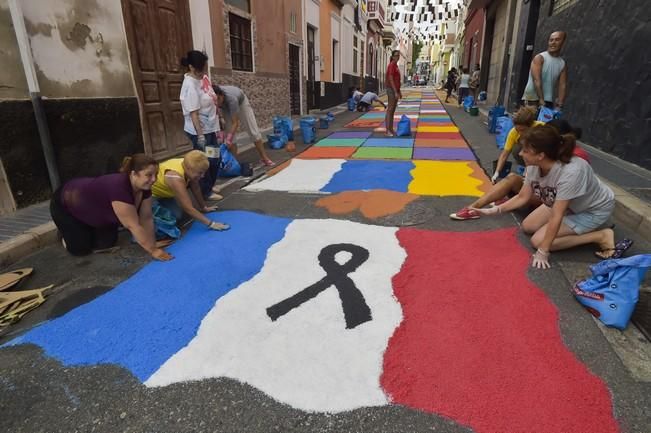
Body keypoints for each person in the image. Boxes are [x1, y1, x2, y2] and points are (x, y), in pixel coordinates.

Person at [471, 125, 630, 269]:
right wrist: (496, 210)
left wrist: (543, 251)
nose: (520, 153)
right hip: (568, 204)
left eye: (525, 150)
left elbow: (557, 214)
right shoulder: (534, 165)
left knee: (538, 241)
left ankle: (600, 235)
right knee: (528, 226)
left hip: (592, 210)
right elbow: (522, 197)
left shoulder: (572, 172)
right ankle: (583, 230)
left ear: (541, 155)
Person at [50, 154, 173, 261]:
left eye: (156, 175)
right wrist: (153, 251)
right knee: (80, 250)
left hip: (94, 208)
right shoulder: (119, 188)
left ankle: (85, 226)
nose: (154, 179)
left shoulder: (144, 187)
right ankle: (64, 233)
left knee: (106, 243)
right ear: (134, 174)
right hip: (65, 203)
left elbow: (146, 218)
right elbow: (132, 225)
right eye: (149, 175)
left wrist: (152, 243)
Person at [450, 107, 544, 220]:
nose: (520, 154)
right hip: (532, 183)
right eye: (517, 130)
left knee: (529, 226)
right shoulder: (516, 135)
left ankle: (504, 199)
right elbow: (504, 154)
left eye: (522, 130)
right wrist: (497, 173)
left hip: (543, 193)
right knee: (511, 177)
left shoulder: (543, 133)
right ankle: (472, 208)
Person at [151, 150, 230, 231]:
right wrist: (211, 224)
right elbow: (188, 208)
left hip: (166, 194)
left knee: (178, 215)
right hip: (151, 195)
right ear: (188, 169)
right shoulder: (175, 178)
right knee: (170, 220)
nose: (202, 176)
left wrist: (204, 207)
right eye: (200, 173)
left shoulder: (190, 164)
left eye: (203, 172)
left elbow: (196, 188)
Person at [179, 50, 221, 199]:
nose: (203, 71)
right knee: (204, 162)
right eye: (200, 68)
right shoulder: (190, 85)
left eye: (204, 68)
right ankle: (205, 192)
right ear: (191, 67)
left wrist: (218, 124)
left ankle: (209, 185)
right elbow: (193, 113)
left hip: (211, 127)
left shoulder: (203, 78)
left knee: (215, 159)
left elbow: (213, 100)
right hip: (199, 130)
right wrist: (201, 135)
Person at [212, 85, 274, 166]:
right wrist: (225, 135)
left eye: (218, 99)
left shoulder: (232, 99)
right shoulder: (212, 97)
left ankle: (264, 158)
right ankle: (233, 163)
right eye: (215, 101)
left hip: (241, 102)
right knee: (230, 136)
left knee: (253, 131)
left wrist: (229, 138)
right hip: (225, 107)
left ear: (221, 95)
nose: (217, 103)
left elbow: (235, 122)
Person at [522, 31, 567, 110]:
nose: (553, 42)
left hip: (547, 100)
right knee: (530, 122)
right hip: (532, 99)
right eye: (551, 40)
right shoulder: (540, 58)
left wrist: (560, 103)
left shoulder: (562, 63)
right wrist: (541, 100)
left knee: (545, 122)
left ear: (563, 42)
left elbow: (562, 85)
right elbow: (536, 80)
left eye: (557, 40)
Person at [384, 50, 402, 137]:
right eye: (396, 55)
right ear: (392, 56)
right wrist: (395, 91)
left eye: (398, 55)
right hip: (391, 89)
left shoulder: (396, 66)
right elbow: (391, 78)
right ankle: (387, 130)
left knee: (393, 110)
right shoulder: (392, 65)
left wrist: (399, 91)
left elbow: (397, 80)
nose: (397, 57)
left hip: (395, 90)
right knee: (390, 109)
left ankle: (390, 129)